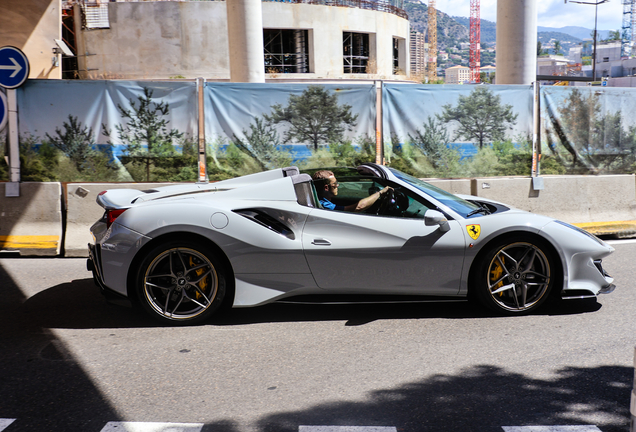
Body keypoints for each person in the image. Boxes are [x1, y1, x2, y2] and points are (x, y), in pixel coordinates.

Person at [312, 170, 391, 212]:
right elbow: (358, 207)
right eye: (335, 184)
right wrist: (380, 193)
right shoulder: (324, 205)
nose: (337, 185)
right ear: (326, 188)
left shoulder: (320, 200)